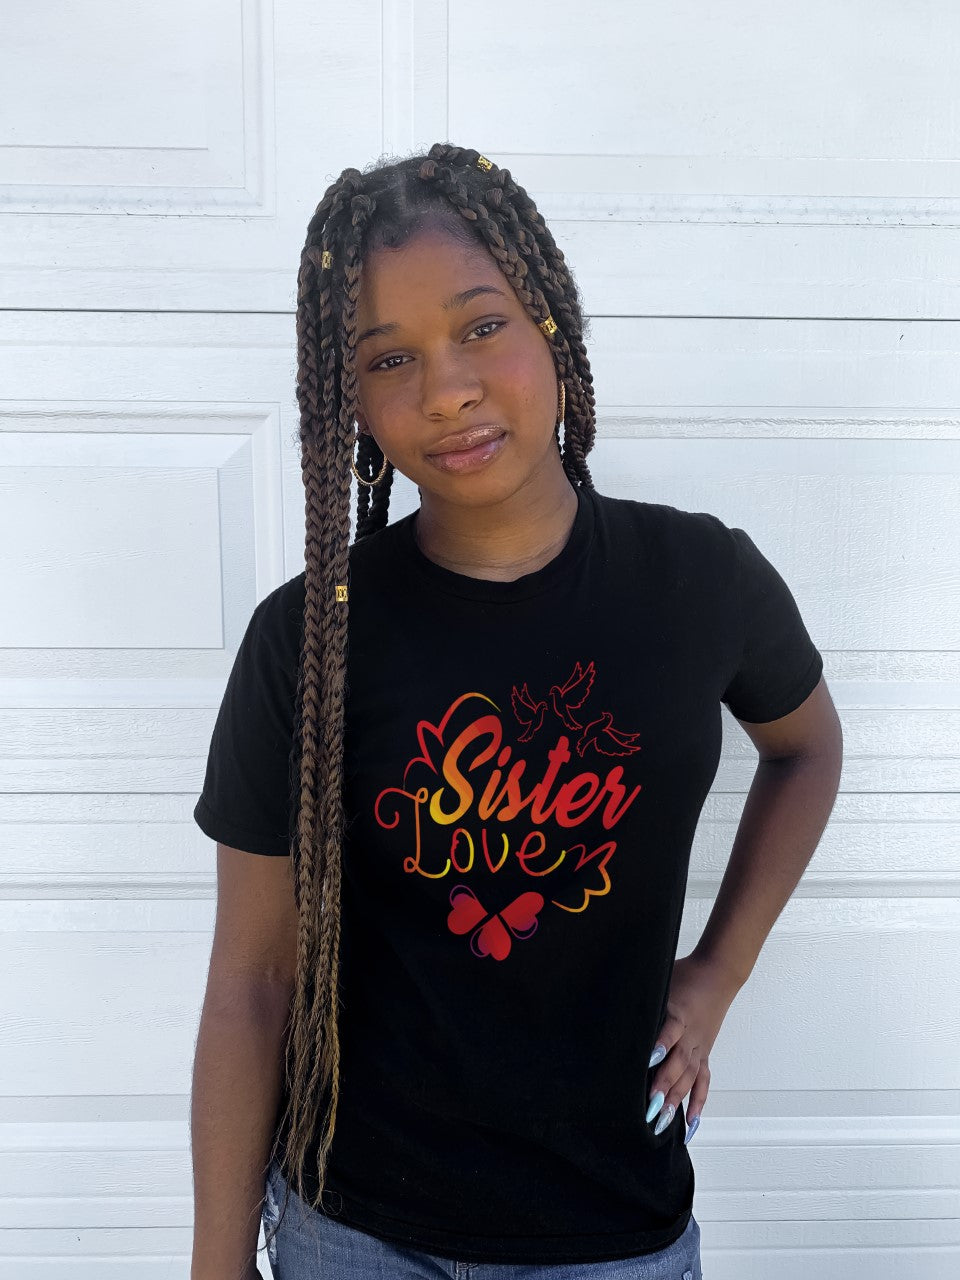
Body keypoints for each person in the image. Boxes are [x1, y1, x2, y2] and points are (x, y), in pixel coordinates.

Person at [189, 143, 844, 1280]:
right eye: (389, 357)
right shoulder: (309, 638)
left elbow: (807, 749)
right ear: (349, 399)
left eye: (481, 326)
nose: (446, 389)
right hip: (354, 1231)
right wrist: (215, 1260)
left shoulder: (701, 582)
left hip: (614, 1229)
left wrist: (718, 971)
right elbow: (252, 985)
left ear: (552, 324)